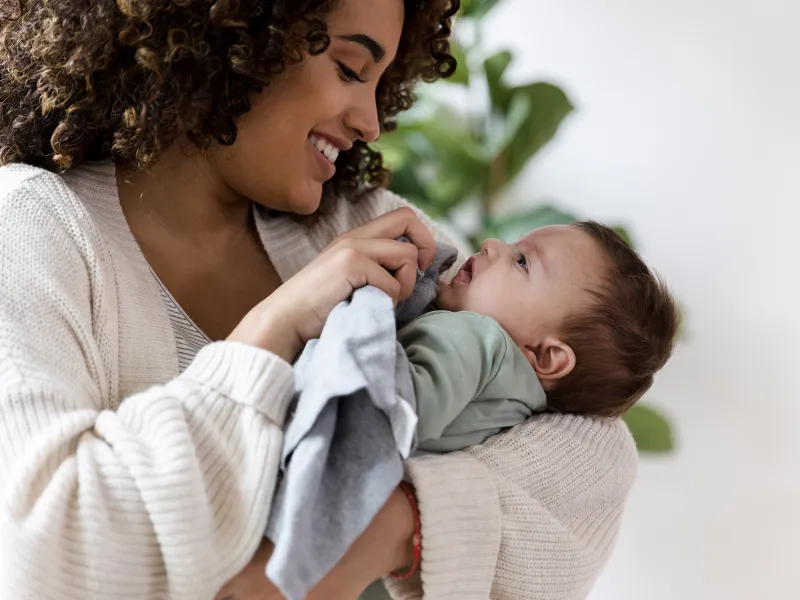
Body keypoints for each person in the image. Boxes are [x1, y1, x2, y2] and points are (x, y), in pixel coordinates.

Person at [0, 1, 638, 599]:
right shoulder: (32, 225)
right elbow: (42, 549)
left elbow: (595, 449)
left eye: (381, 83)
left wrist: (386, 531)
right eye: (350, 69)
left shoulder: (360, 223)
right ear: (233, 37)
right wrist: (272, 329)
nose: (371, 122)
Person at [399, 221, 679, 454]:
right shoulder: (510, 405)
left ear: (546, 356)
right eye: (514, 244)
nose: (490, 244)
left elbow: (400, 410)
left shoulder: (480, 340)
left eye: (521, 261)